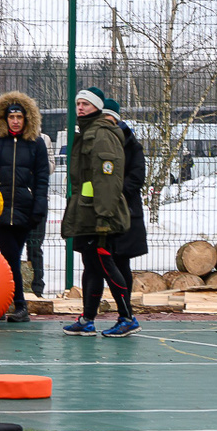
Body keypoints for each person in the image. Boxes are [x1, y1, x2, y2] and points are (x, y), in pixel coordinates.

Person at [60, 87, 134, 337]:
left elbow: (107, 180)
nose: (80, 108)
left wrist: (104, 216)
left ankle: (127, 317)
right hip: (86, 213)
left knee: (105, 265)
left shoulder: (101, 134)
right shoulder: (87, 132)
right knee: (91, 267)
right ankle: (87, 319)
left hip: (98, 216)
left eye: (86, 104)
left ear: (97, 107)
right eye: (78, 103)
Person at [0, 91, 49, 323]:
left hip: (25, 210)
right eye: (12, 117)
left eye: (19, 117)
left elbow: (42, 179)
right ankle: (18, 304)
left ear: (27, 118)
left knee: (12, 259)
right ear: (4, 118)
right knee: (9, 257)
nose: (15, 121)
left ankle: (10, 303)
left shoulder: (37, 144)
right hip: (1, 209)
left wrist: (39, 205)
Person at [102, 97, 147, 337]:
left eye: (110, 118)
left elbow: (137, 177)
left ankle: (126, 314)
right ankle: (121, 314)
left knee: (121, 263)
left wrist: (116, 194)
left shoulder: (131, 144)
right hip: (106, 212)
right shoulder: (100, 142)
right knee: (105, 263)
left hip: (127, 213)